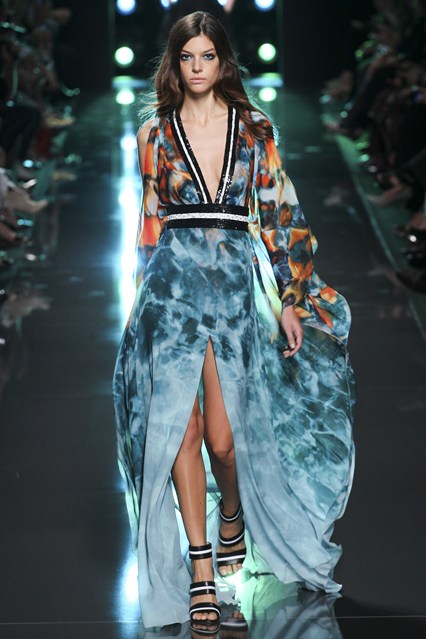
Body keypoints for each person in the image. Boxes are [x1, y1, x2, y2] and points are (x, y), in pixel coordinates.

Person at [113, 11, 355, 633]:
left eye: (207, 56)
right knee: (181, 430)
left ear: (223, 61)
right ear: (175, 64)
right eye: (187, 57)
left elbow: (279, 212)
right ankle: (202, 572)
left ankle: (233, 516)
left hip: (230, 292)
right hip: (170, 295)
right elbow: (148, 224)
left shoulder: (253, 128)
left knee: (223, 440)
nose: (197, 68)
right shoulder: (155, 132)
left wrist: (291, 298)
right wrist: (139, 306)